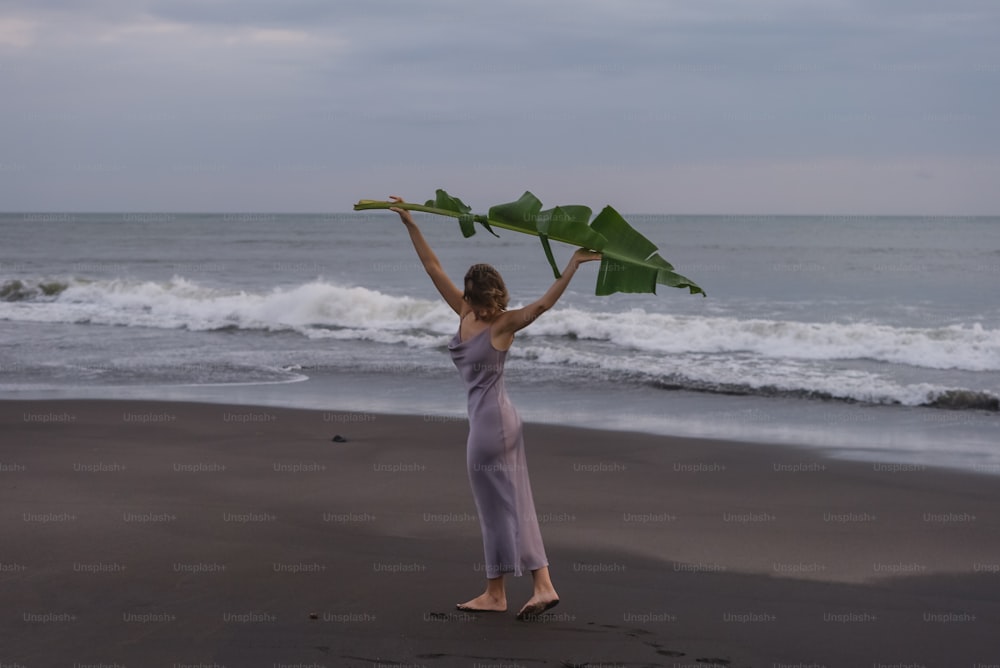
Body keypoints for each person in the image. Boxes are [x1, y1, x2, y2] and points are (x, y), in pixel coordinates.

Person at [389, 195, 601, 620]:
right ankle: (517, 589)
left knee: (502, 508)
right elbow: (433, 268)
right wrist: (411, 223)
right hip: (498, 422)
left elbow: (541, 305)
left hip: (491, 429)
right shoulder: (466, 310)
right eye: (478, 302)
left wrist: (572, 267)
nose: (483, 309)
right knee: (509, 505)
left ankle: (522, 588)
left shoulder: (502, 321)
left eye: (487, 302)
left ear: (495, 297)